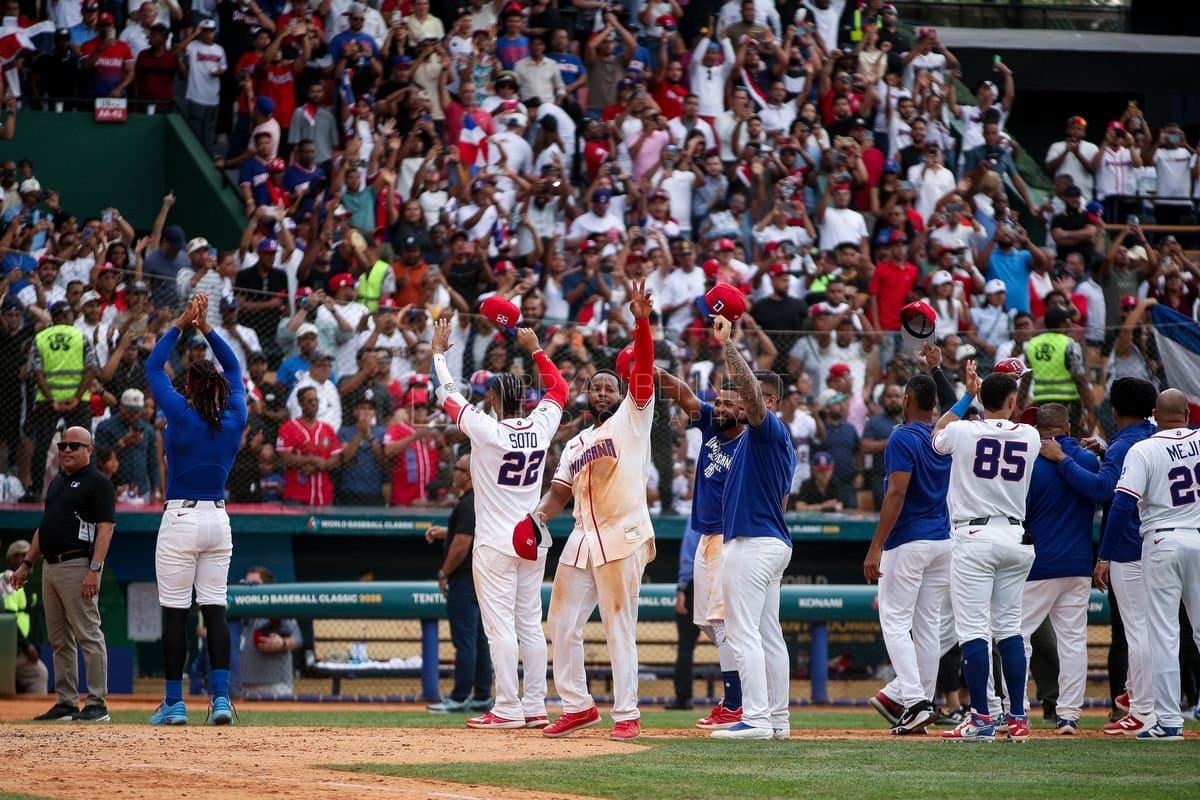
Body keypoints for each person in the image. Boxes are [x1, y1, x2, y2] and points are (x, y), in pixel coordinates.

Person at [430, 315, 567, 729]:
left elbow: (448, 394)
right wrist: (536, 348)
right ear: (525, 399)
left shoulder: (486, 429)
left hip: (494, 541)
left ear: (493, 400)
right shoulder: (542, 425)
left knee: (500, 627)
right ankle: (535, 705)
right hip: (532, 536)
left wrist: (438, 353)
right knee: (529, 623)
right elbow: (559, 389)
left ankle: (507, 707)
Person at [533, 280, 656, 741]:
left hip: (622, 534)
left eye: (609, 386)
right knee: (561, 623)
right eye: (595, 387)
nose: (602, 391)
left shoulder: (633, 416)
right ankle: (578, 705)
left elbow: (643, 369)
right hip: (583, 537)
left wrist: (641, 323)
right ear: (586, 395)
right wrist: (538, 517)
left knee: (618, 625)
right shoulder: (575, 443)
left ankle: (627, 714)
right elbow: (558, 493)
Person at [145, 294, 247, 725]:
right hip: (218, 519)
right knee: (214, 610)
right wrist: (206, 328)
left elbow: (152, 367)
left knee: (174, 613)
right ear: (221, 387)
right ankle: (221, 700)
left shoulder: (181, 415)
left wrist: (182, 323)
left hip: (181, 518)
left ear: (189, 387)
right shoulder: (236, 413)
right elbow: (236, 368)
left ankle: (174, 703)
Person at [932, 364, 1041, 742]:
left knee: (974, 631)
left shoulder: (962, 430)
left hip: (974, 535)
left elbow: (937, 435)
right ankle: (1018, 717)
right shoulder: (1030, 434)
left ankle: (981, 717)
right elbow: (1004, 420)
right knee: (1009, 629)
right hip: (1015, 537)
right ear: (1012, 402)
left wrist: (967, 396)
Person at [1041, 377, 1157, 734]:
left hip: (1127, 545)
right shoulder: (1152, 437)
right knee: (1156, 630)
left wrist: (1062, 459)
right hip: (1159, 543)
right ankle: (1141, 698)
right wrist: (1104, 450)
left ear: (1115, 409)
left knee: (1138, 631)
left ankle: (1142, 705)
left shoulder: (1124, 446)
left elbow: (1102, 488)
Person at [702, 309, 795, 741]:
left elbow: (753, 400)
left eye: (747, 395)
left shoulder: (768, 429)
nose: (738, 400)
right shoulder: (763, 442)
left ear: (769, 401)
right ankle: (777, 720)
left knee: (743, 632)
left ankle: (755, 719)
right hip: (770, 542)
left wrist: (727, 344)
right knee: (767, 634)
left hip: (754, 543)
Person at [862, 368, 954, 735]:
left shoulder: (901, 436)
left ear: (907, 400)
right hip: (942, 540)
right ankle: (923, 703)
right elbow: (960, 409)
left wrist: (875, 545)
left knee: (896, 623)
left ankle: (915, 701)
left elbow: (896, 493)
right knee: (927, 626)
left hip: (910, 540)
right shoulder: (942, 436)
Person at [655, 368, 746, 731]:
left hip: (730, 537)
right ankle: (742, 693)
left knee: (724, 624)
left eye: (729, 403)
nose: (719, 407)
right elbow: (685, 396)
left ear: (746, 409)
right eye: (719, 401)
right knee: (709, 624)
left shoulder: (751, 440)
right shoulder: (711, 423)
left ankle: (736, 702)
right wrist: (656, 371)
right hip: (705, 537)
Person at [1109, 388, 1200, 741]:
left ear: (1154, 417)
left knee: (1164, 634)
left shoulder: (1143, 448)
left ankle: (1169, 722)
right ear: (1187, 415)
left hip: (1162, 539)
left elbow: (1121, 506)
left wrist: (1105, 553)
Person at [6, 426, 114, 722]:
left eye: (74, 446)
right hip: (50, 566)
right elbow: (46, 526)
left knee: (88, 634)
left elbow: (106, 527)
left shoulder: (97, 483)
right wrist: (27, 563)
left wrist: (95, 568)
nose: (66, 450)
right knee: (59, 639)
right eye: (63, 444)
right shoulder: (56, 483)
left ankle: (97, 703)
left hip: (78, 564)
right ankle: (66, 701)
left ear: (89, 450)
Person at [1021, 403, 1099, 735]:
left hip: (1040, 561)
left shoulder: (1029, 462)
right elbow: (1100, 491)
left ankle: (1017, 709)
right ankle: (1068, 715)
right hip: (1078, 563)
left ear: (1039, 429)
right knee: (1073, 641)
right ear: (1067, 427)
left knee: (1016, 635)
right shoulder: (1086, 458)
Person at [424, 455, 493, 715]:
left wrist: (444, 572)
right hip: (480, 578)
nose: (455, 473)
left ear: (470, 474)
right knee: (479, 640)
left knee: (465, 641)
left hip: (463, 580)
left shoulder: (468, 503)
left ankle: (460, 696)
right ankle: (482, 696)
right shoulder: (483, 500)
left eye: (459, 469)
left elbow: (463, 543)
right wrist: (446, 532)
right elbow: (470, 533)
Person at [26, 301, 98, 503]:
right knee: (83, 445)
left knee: (41, 445)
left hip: (48, 401)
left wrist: (52, 400)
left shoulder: (40, 338)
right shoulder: (80, 336)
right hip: (78, 400)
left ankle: (35, 490)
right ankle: (85, 490)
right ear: (66, 316)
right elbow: (91, 368)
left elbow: (37, 372)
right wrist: (76, 396)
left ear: (53, 317)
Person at [1027, 306, 1095, 438]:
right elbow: (1079, 378)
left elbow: (1026, 377)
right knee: (1069, 437)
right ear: (1062, 323)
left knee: (1044, 436)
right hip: (1067, 402)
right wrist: (1090, 408)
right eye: (1067, 320)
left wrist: (1020, 404)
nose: (1070, 323)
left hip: (1041, 401)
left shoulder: (1033, 343)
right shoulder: (1069, 344)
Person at [237, 566, 302, 698]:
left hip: (275, 684)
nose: (249, 588)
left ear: (267, 586)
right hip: (243, 685)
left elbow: (298, 638)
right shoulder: (239, 608)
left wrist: (282, 643)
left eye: (254, 584)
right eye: (246, 584)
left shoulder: (277, 607)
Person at [2, 540, 50, 694]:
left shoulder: (29, 584)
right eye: (21, 555)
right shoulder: (6, 580)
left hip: (20, 652)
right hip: (5, 649)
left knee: (39, 673)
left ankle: (31, 716)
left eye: (29, 554)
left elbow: (34, 621)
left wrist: (34, 646)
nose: (27, 558)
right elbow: (6, 621)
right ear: (11, 559)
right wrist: (27, 645)